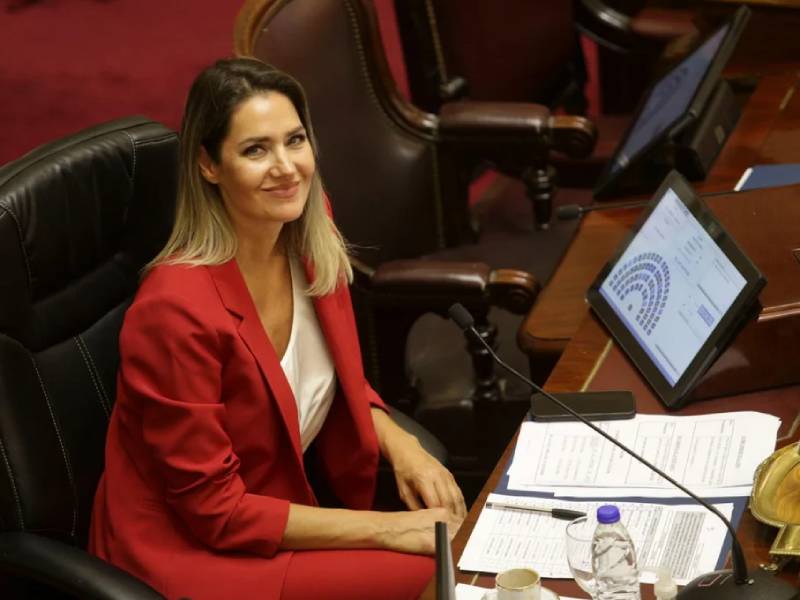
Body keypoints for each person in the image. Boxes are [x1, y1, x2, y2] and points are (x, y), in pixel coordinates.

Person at [89, 57, 466, 600]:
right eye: (255, 150)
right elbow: (216, 511)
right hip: (188, 548)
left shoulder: (307, 231)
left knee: (452, 552)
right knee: (436, 571)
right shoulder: (174, 311)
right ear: (208, 165)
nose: (287, 168)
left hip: (276, 506)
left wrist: (402, 444)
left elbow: (329, 377)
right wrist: (389, 530)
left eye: (295, 140)